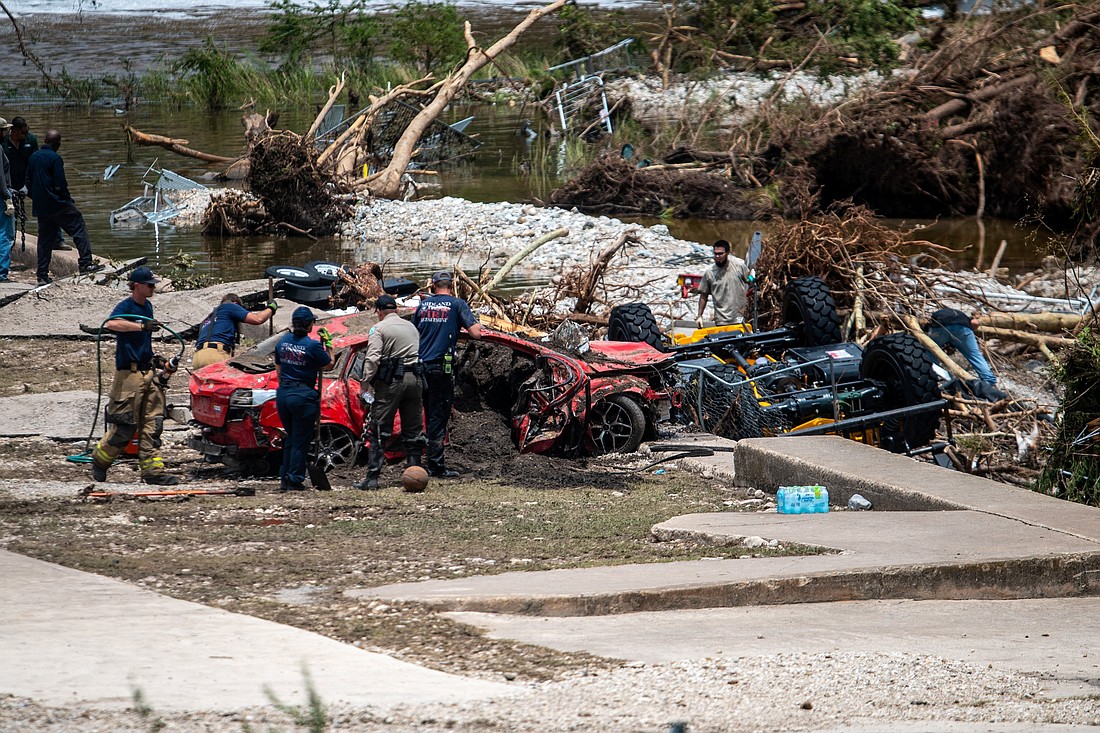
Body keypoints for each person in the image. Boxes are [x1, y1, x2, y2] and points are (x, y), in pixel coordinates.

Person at [91, 266, 179, 486]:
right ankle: (100, 460)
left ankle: (152, 472)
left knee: (153, 423)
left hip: (147, 372)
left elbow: (144, 341)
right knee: (126, 425)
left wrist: (156, 359)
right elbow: (112, 324)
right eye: (150, 285)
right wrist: (141, 326)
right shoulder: (126, 306)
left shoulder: (147, 306)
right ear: (137, 285)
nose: (153, 288)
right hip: (129, 375)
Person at [413, 270, 482, 478]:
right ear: (451, 286)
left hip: (420, 368)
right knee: (437, 417)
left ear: (433, 286)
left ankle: (417, 462)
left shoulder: (422, 306)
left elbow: (415, 332)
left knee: (423, 414)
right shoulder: (457, 304)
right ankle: (435, 467)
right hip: (441, 370)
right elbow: (476, 333)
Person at [354, 294, 427, 490]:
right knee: (413, 429)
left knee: (379, 429)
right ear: (395, 309)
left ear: (378, 312)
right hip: (416, 380)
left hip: (392, 383)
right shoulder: (411, 326)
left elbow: (372, 359)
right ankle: (415, 472)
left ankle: (372, 478)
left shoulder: (379, 328)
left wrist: (364, 384)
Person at [25, 129, 103, 286]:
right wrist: (67, 200)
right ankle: (86, 263)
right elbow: (60, 184)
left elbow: (28, 183)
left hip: (42, 207)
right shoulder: (55, 158)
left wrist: (39, 199)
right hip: (58, 204)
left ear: (45, 141)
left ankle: (42, 275)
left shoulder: (33, 157)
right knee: (79, 228)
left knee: (45, 241)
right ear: (57, 144)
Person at [273, 306, 334, 492]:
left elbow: (278, 370)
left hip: (283, 393)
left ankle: (285, 476)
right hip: (302, 395)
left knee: (291, 437)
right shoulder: (312, 345)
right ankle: (294, 479)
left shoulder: (282, 343)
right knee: (301, 440)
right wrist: (329, 345)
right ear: (309, 325)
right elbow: (329, 365)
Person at [192, 293, 279, 369]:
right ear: (235, 303)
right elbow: (258, 319)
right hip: (215, 355)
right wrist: (271, 308)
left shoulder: (208, 318)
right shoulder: (230, 306)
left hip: (197, 358)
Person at [926, 307, 998, 386]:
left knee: (930, 351)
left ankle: (935, 375)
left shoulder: (950, 313)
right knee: (974, 355)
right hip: (963, 329)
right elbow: (975, 323)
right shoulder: (965, 319)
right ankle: (989, 381)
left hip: (941, 327)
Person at [696, 239, 750, 327]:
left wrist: (753, 277)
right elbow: (703, 295)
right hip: (721, 320)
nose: (717, 256)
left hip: (740, 317)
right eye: (715, 254)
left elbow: (750, 279)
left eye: (720, 254)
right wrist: (699, 316)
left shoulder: (738, 266)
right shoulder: (710, 273)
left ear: (728, 253)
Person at [0, 125, 12, 284]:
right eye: (3, 130)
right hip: (1, 198)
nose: (6, 133)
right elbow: (0, 176)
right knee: (5, 235)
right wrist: (7, 196)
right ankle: (2, 273)